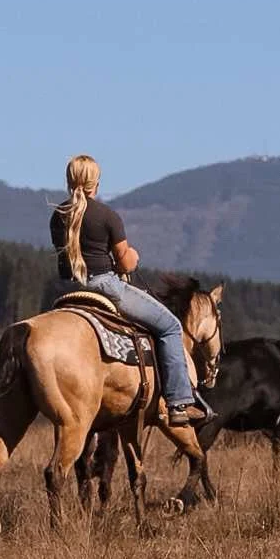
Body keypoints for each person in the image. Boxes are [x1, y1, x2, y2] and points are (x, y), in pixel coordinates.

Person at [50, 154, 209, 426]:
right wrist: (132, 256)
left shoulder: (58, 216)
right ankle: (179, 402)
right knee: (170, 326)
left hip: (71, 287)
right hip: (105, 285)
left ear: (69, 181)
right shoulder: (106, 216)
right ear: (95, 184)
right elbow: (125, 260)